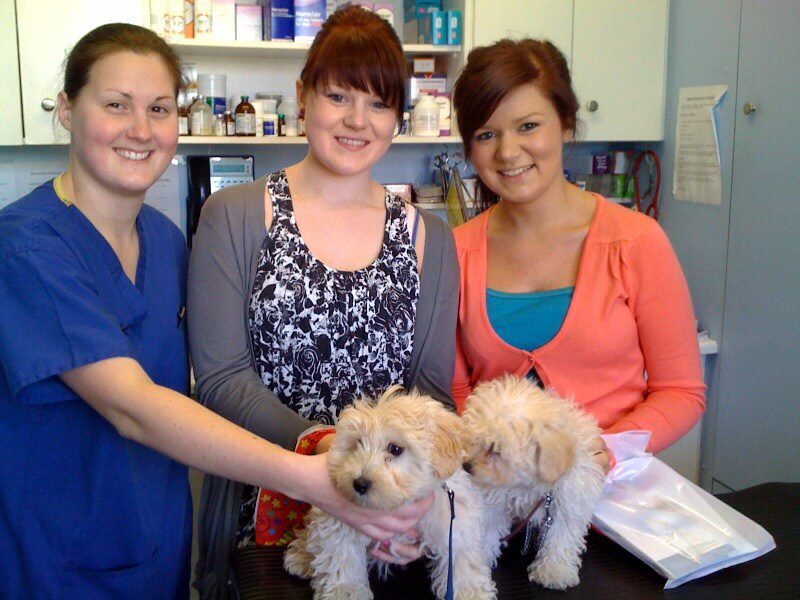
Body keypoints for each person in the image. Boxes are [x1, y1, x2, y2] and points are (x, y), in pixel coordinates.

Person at [0, 23, 434, 598]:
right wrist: (318, 472)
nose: (140, 129)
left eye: (159, 108)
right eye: (115, 104)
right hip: (55, 554)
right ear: (65, 109)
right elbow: (135, 407)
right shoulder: (26, 247)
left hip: (156, 545)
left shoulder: (162, 239)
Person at [187, 7, 459, 598]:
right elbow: (221, 380)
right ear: (302, 96)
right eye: (338, 96)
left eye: (379, 103)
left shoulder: (430, 238)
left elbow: (432, 395)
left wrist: (402, 501)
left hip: (386, 512)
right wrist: (332, 458)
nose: (357, 120)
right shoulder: (234, 216)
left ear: (397, 117)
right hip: (264, 508)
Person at [451, 39, 706, 463]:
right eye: (486, 134)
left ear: (566, 124)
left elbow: (681, 392)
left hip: (611, 487)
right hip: (496, 488)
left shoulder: (635, 241)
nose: (508, 152)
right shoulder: (455, 252)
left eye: (528, 126)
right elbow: (457, 390)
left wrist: (598, 456)